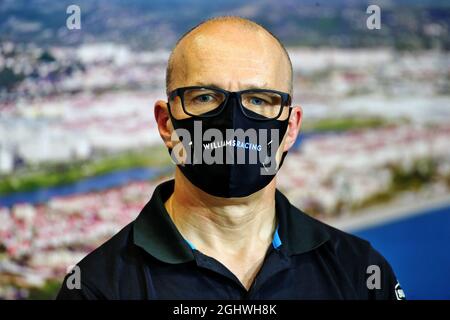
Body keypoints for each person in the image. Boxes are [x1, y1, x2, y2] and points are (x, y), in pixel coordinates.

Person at [56, 16, 405, 300]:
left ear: (291, 128)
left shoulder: (360, 272)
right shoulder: (96, 289)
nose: (234, 122)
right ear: (166, 123)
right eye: (205, 97)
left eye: (259, 100)